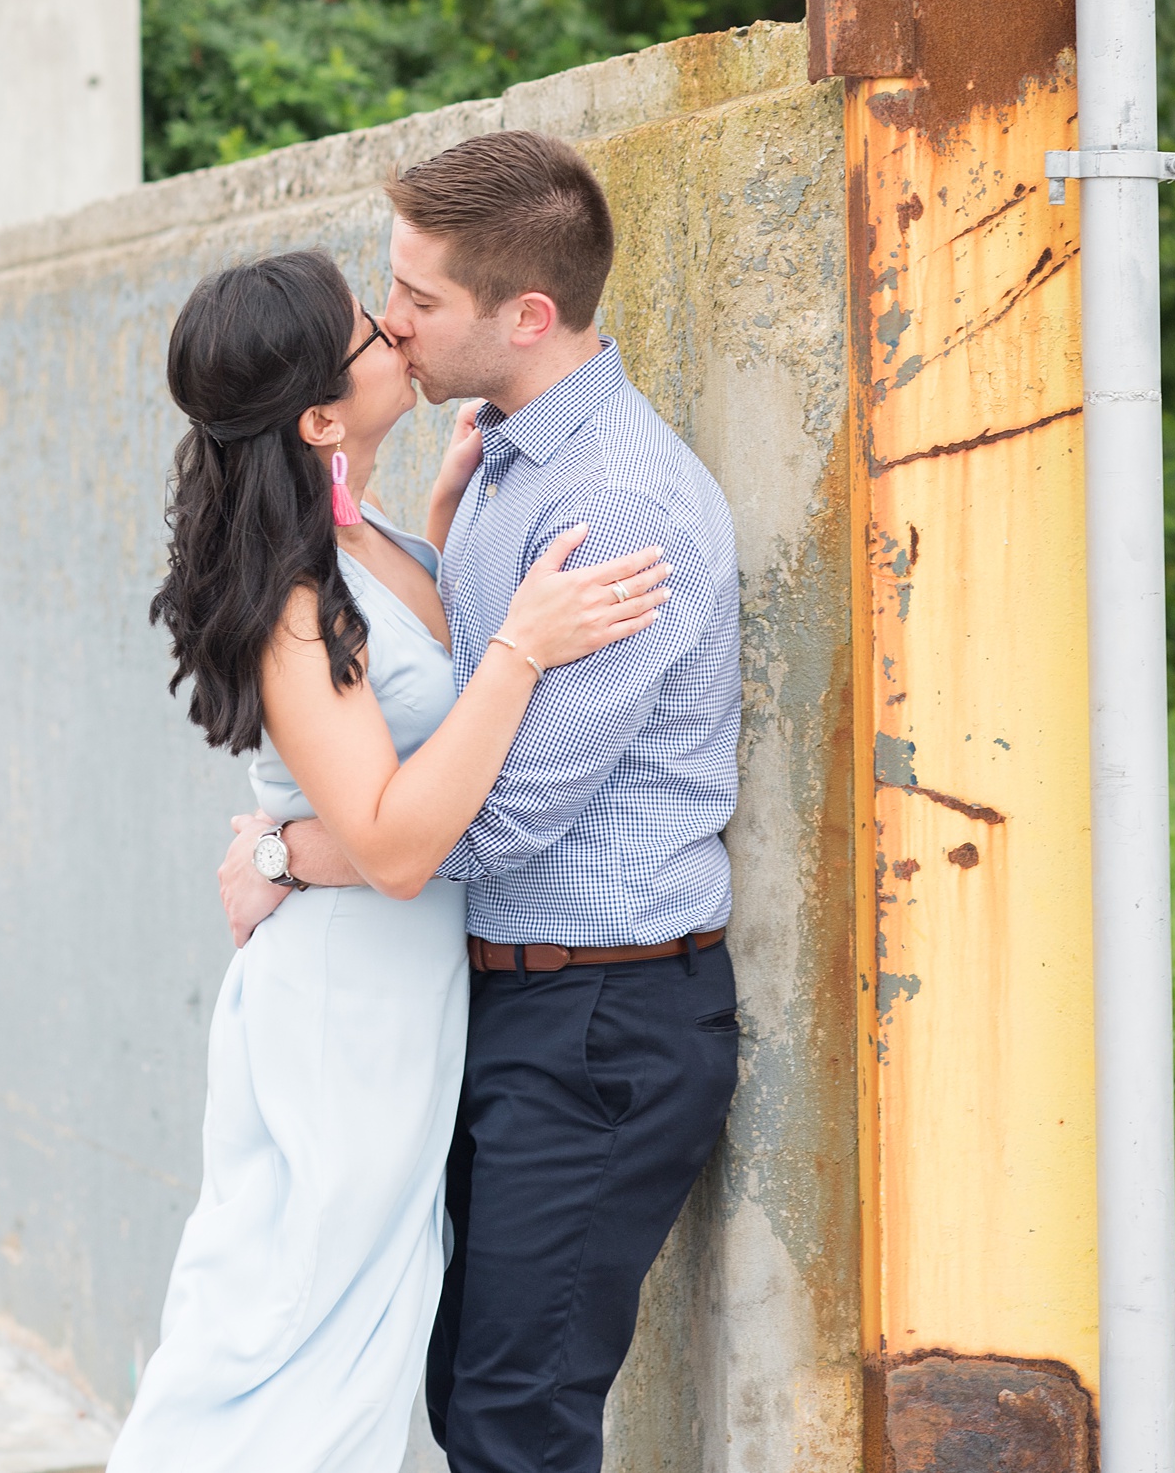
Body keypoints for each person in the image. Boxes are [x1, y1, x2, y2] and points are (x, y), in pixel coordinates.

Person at [220, 130, 743, 1473]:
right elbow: (439, 699)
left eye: (420, 297)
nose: (391, 318)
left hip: (601, 1023)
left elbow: (496, 819)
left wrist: (289, 849)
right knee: (468, 1391)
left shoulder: (619, 506)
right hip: (511, 1004)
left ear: (527, 314)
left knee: (514, 1415)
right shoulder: (504, 458)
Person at [109, 246, 670, 1473]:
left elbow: (401, 728)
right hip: (341, 1004)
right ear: (319, 416)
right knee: (288, 1315)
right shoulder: (293, 600)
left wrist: (439, 536)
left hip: (395, 991)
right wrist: (520, 643)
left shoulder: (360, 546)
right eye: (371, 333)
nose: (398, 336)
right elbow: (400, 839)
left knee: (358, 1313)